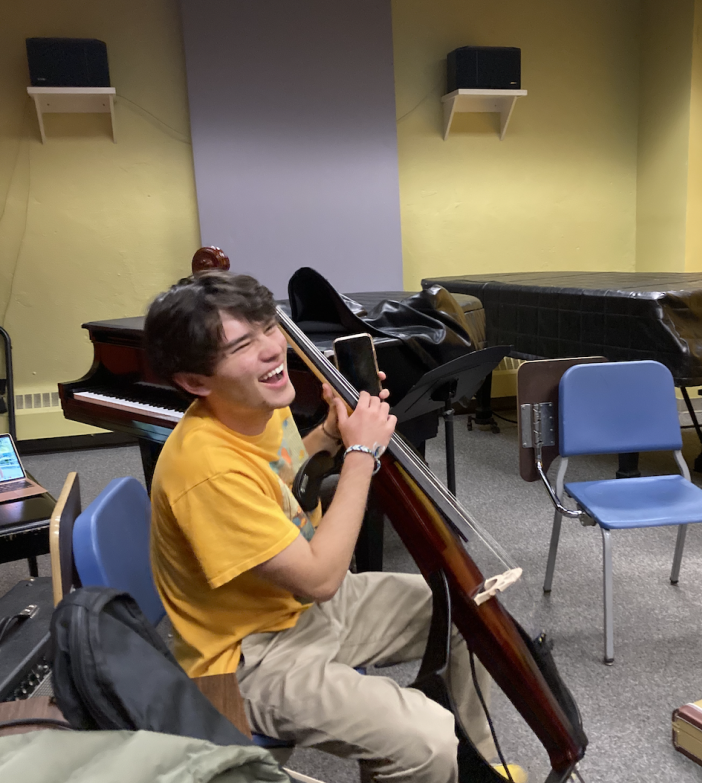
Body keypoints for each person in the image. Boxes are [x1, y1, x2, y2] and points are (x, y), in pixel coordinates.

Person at [144, 270, 503, 783]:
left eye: (269, 327)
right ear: (197, 382)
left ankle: (479, 768)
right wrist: (360, 454)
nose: (273, 349)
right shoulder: (206, 469)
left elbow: (282, 482)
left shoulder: (258, 405)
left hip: (300, 613)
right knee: (425, 740)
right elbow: (320, 577)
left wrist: (332, 433)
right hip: (249, 654)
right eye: (243, 344)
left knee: (471, 613)